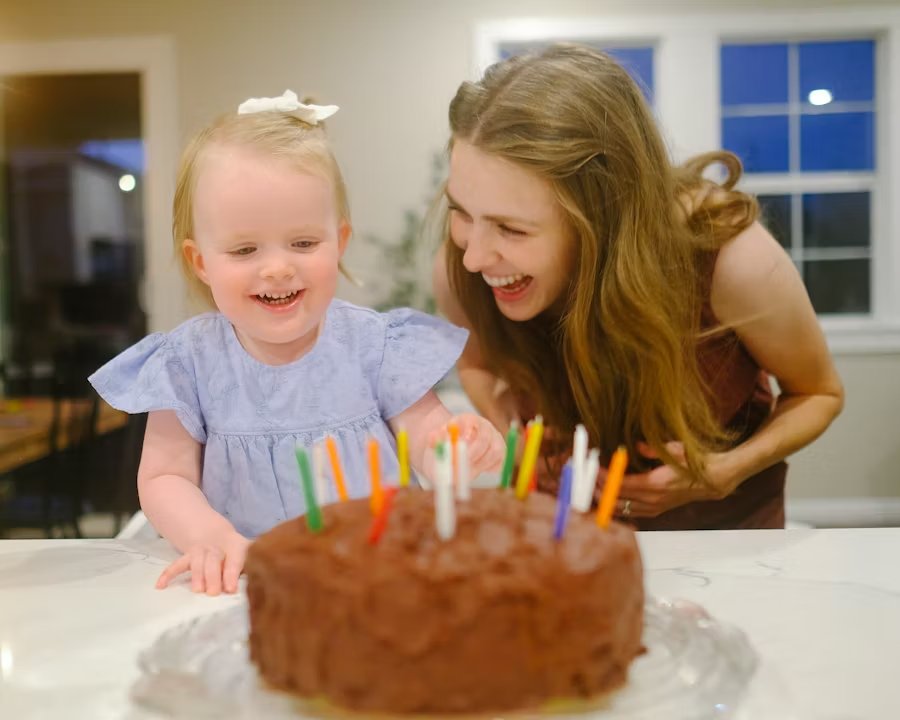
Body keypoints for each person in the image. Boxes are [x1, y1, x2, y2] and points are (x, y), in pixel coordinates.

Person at [90, 91, 505, 595]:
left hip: (379, 576)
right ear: (202, 262)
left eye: (304, 243)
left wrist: (458, 449)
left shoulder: (375, 344)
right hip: (247, 583)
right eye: (245, 248)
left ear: (340, 241)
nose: (278, 267)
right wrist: (208, 535)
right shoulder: (188, 362)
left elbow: (428, 440)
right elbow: (163, 479)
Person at [432, 45, 844, 530]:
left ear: (606, 216)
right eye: (461, 211)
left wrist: (726, 471)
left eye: (512, 229)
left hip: (720, 545)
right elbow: (476, 364)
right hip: (559, 536)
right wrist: (507, 427)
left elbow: (819, 394)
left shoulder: (734, 261)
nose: (474, 256)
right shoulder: (462, 265)